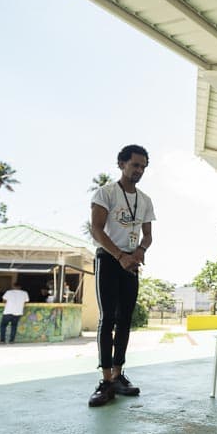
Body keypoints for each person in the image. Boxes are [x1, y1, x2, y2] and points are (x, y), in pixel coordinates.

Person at [87, 144, 155, 407]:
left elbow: (148, 235)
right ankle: (105, 381)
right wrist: (119, 256)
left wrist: (139, 251)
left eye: (143, 167)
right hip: (109, 259)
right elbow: (96, 229)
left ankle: (118, 375)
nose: (139, 170)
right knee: (108, 319)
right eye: (135, 165)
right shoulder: (106, 193)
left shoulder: (145, 200)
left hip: (130, 262)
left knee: (125, 319)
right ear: (122, 164)